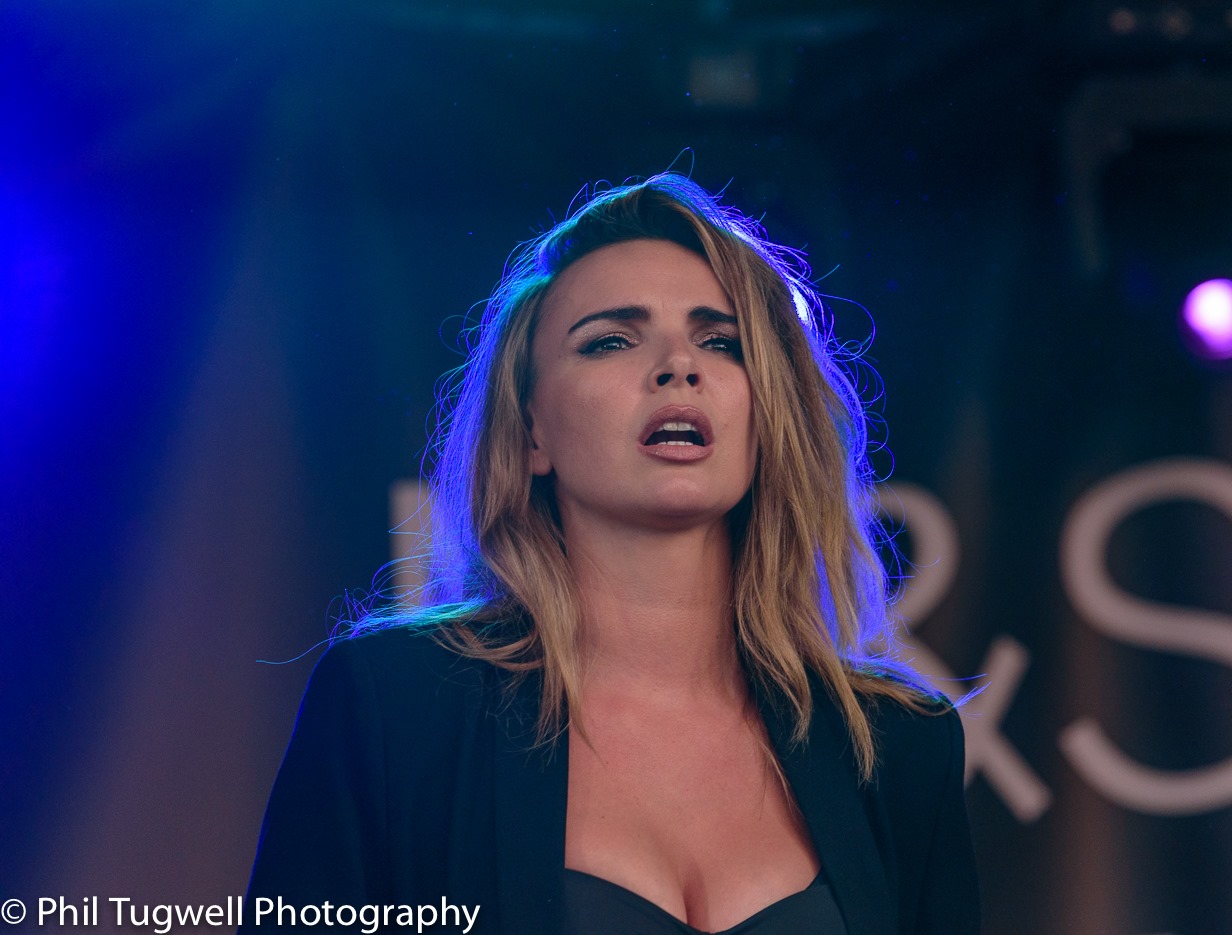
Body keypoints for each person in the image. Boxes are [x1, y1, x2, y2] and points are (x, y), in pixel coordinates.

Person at [244, 173, 980, 934]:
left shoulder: (900, 747)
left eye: (721, 342)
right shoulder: (397, 707)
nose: (679, 366)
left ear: (768, 412)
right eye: (611, 341)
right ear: (531, 431)